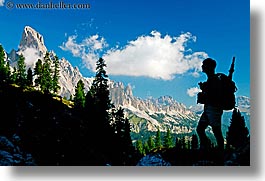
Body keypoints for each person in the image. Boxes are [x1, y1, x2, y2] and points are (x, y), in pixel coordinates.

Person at [196, 58, 224, 152]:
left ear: (210, 67)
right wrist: (204, 89)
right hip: (208, 109)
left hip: (214, 110)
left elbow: (215, 96)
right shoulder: (211, 79)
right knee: (200, 129)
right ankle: (205, 147)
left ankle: (220, 152)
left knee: (217, 131)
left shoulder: (215, 80)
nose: (202, 66)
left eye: (204, 65)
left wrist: (204, 89)